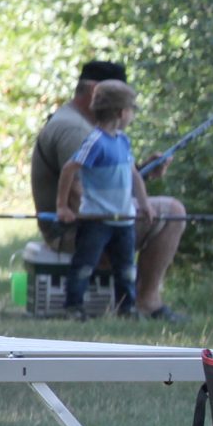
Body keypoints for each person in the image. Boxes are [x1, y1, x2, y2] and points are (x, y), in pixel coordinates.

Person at [29, 60, 188, 319]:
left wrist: (142, 173)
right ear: (95, 90)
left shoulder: (98, 132)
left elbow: (103, 181)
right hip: (77, 229)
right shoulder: (75, 129)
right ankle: (145, 302)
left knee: (161, 215)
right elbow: (77, 192)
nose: (129, 113)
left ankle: (129, 304)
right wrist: (121, 216)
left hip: (97, 218)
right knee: (173, 211)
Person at [54, 80, 141, 318]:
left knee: (126, 269)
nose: (132, 115)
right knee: (84, 266)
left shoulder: (123, 141)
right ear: (121, 113)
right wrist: (62, 206)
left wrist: (144, 204)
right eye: (131, 110)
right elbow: (69, 169)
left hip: (125, 220)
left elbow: (134, 175)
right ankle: (73, 307)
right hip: (96, 219)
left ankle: (127, 308)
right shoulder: (95, 141)